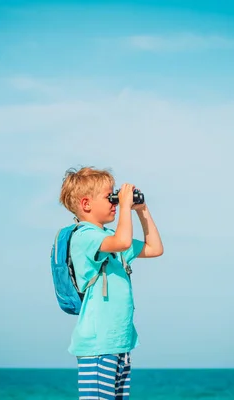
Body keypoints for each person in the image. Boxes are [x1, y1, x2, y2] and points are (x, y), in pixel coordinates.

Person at [58, 166, 164, 399]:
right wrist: (125, 206)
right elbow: (123, 241)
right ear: (86, 204)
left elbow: (155, 248)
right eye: (110, 197)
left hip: (120, 343)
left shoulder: (110, 239)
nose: (115, 201)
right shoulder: (84, 236)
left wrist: (141, 209)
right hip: (98, 345)